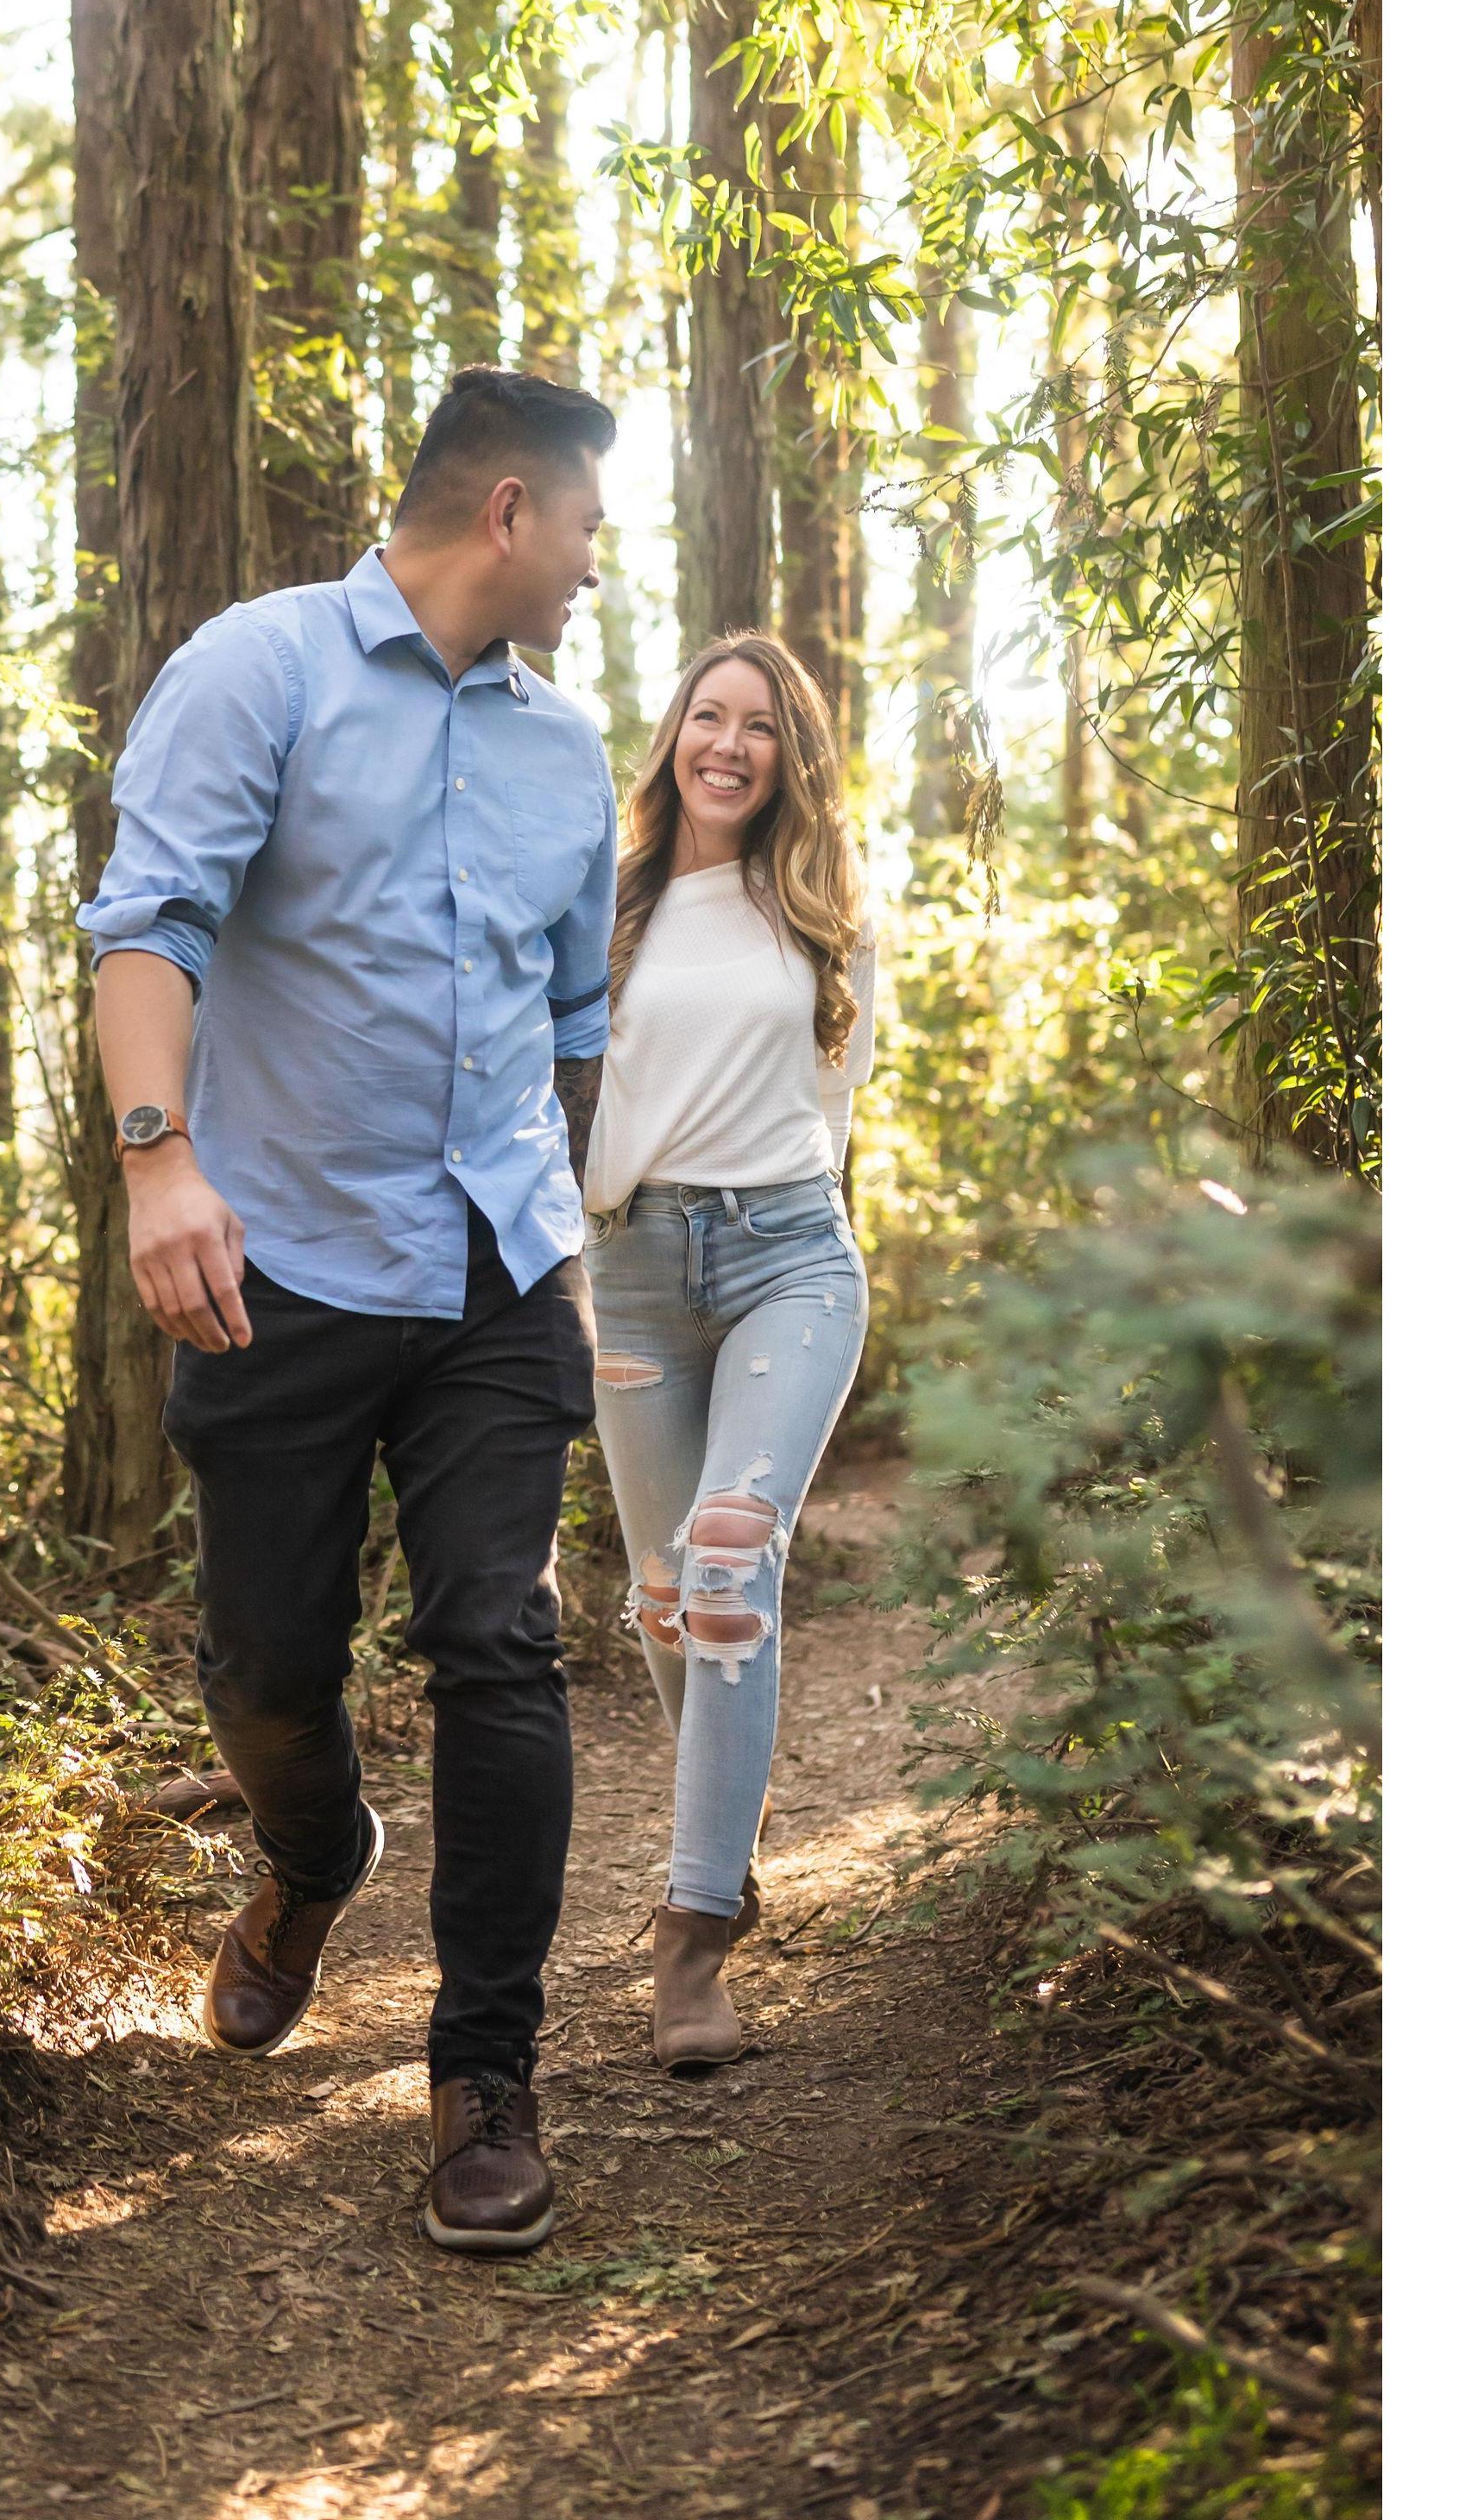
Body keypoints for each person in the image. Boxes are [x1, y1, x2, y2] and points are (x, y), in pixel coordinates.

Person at [77, 368, 620, 2257]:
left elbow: (571, 1034)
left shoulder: (567, 757)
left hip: (489, 1271)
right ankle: (315, 1855)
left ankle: (485, 2076)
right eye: (585, 530)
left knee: (500, 1642)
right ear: (504, 510)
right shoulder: (263, 670)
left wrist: (558, 1241)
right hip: (281, 1262)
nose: (592, 571)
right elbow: (149, 926)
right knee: (268, 1670)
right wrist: (161, 1162)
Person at [580, 632, 875, 2073]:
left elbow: (836, 1112)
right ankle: (729, 1822)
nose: (732, 745)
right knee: (660, 1603)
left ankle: (693, 1937)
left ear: (790, 757)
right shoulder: (611, 902)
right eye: (711, 715)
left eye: (762, 726)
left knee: (727, 1562)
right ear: (675, 734)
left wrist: (773, 1216)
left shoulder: (820, 914)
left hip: (787, 1260)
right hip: (630, 1273)